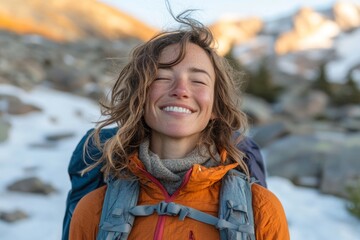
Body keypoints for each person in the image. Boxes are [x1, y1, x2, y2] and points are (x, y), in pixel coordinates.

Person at [67, 12, 289, 240]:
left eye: (198, 81)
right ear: (140, 97)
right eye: (162, 77)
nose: (180, 90)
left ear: (215, 107)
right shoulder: (94, 210)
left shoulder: (262, 210)